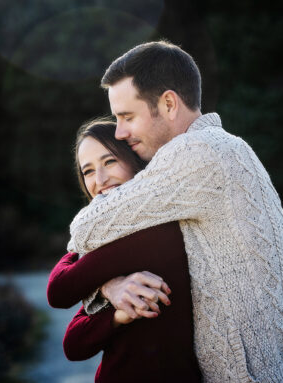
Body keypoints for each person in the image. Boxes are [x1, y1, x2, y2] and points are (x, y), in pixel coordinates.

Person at [67, 41, 283, 382]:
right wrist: (110, 285)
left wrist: (104, 283)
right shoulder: (226, 146)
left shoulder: (196, 153)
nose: (120, 132)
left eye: (127, 117)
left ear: (169, 103)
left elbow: (87, 227)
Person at [47, 119, 202, 382]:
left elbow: (59, 290)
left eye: (109, 162)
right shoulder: (106, 237)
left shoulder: (155, 230)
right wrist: (114, 301)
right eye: (88, 171)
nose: (100, 180)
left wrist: (101, 285)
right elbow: (73, 344)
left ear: (135, 160)